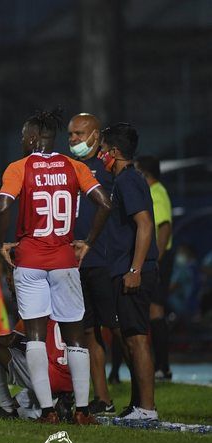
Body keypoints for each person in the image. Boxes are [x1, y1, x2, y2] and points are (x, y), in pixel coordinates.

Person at [0, 109, 111, 425]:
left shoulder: (19, 168)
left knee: (34, 335)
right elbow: (104, 202)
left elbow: (3, 205)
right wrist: (87, 242)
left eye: (23, 136)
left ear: (32, 138)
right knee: (75, 335)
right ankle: (83, 410)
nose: (21, 141)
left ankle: (47, 411)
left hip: (30, 258)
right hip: (64, 259)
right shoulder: (75, 166)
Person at [99, 123, 159, 421]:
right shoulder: (127, 179)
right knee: (129, 338)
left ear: (114, 152)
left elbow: (145, 224)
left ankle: (147, 409)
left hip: (134, 270)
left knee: (136, 338)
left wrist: (134, 269)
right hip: (126, 268)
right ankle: (138, 405)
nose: (100, 156)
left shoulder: (127, 180)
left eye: (102, 150)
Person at [67, 112, 120, 415]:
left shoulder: (110, 168)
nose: (73, 139)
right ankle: (103, 397)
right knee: (88, 332)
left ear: (96, 135)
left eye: (79, 133)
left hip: (105, 260)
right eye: (70, 134)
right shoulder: (68, 168)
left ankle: (141, 398)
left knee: (120, 330)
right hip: (76, 263)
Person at [0, 319, 74, 421]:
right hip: (70, 382)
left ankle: (7, 408)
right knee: (18, 403)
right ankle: (62, 403)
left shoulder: (36, 312)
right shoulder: (70, 314)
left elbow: (10, 341)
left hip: (48, 378)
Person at [136, 155, 174, 381]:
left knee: (156, 310)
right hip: (156, 258)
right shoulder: (157, 191)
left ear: (145, 173)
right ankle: (162, 365)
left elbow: (164, 227)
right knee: (153, 310)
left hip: (159, 258)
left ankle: (163, 366)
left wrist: (155, 261)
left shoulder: (156, 193)